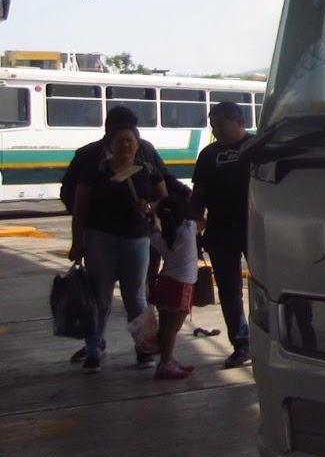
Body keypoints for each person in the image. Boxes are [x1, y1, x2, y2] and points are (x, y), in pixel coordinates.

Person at [60, 105, 171, 364]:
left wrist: (150, 207)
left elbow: (165, 200)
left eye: (130, 140)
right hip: (100, 239)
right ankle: (94, 348)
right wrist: (78, 243)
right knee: (101, 295)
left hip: (137, 240)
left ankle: (144, 347)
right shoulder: (94, 170)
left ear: (137, 143)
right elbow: (79, 208)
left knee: (136, 296)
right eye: (120, 140)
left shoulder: (148, 169)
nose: (126, 145)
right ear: (110, 142)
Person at [192, 101, 251, 368]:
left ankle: (271, 337)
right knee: (229, 290)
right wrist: (194, 226)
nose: (216, 131)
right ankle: (241, 343)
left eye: (221, 125)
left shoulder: (257, 147)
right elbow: (199, 194)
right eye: (213, 126)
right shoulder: (208, 154)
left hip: (254, 228)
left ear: (240, 123)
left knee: (266, 285)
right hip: (220, 231)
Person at [148, 192, 199, 380]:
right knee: (173, 328)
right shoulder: (189, 228)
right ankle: (166, 362)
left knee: (165, 325)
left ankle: (166, 360)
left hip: (165, 281)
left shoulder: (159, 237)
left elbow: (154, 227)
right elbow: (200, 217)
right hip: (182, 284)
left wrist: (149, 211)